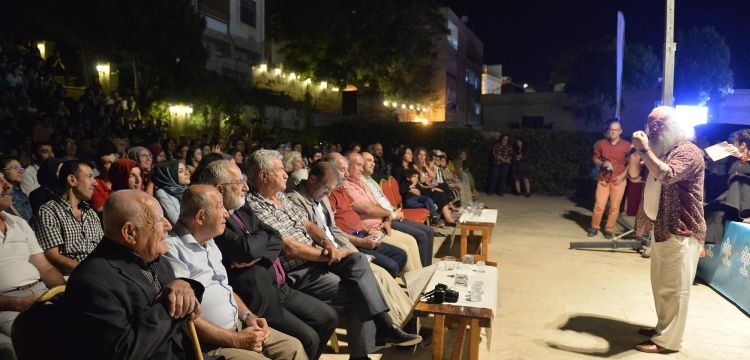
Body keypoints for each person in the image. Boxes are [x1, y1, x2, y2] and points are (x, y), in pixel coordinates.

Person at [246, 150, 421, 360]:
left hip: (319, 259)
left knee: (357, 263)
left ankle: (382, 329)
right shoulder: (254, 207)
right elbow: (289, 248)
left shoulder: (281, 198)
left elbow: (309, 224)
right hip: (299, 270)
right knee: (359, 288)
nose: (286, 174)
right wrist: (329, 254)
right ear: (264, 176)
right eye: (280, 169)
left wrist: (327, 242)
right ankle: (376, 336)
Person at [199, 159, 337, 360]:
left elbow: (275, 237)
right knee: (307, 339)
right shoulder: (215, 221)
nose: (246, 187)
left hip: (278, 286)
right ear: (220, 189)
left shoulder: (241, 205)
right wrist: (258, 248)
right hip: (257, 296)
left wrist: (257, 254)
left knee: (328, 318)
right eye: (239, 183)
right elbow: (245, 250)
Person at [164, 185, 306, 360]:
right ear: (201, 216)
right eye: (220, 207)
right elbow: (187, 318)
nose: (226, 213)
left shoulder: (209, 240)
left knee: (293, 347)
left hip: (238, 326)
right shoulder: (171, 249)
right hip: (209, 343)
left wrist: (248, 316)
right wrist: (237, 340)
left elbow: (225, 288)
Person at [63, 190, 204, 359]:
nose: (168, 225)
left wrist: (183, 284)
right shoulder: (91, 282)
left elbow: (179, 296)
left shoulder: (154, 257)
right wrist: (170, 304)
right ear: (130, 232)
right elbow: (123, 352)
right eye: (159, 220)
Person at [631, 106, 706, 353]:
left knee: (676, 289)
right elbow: (635, 177)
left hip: (681, 230)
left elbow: (666, 175)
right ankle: (662, 328)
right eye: (649, 123)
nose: (652, 129)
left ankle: (669, 341)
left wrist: (644, 150)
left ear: (674, 127)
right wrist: (639, 155)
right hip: (662, 227)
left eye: (658, 125)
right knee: (661, 285)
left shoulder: (688, 152)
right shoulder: (663, 151)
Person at [288, 160, 406, 277]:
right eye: (326, 189)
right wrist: (355, 252)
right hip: (327, 256)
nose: (328, 195)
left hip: (347, 244)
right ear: (312, 179)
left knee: (399, 256)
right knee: (382, 273)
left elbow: (334, 230)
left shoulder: (322, 196)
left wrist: (355, 252)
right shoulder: (295, 200)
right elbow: (311, 239)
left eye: (331, 190)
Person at [0, 173, 66, 359]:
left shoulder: (18, 223)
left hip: (40, 293)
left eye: (5, 179)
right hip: (7, 305)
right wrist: (17, 303)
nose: (8, 185)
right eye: (0, 182)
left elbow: (45, 268)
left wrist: (63, 291)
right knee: (42, 340)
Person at [333, 152, 424, 272]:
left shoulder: (360, 182)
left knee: (412, 242)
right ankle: (416, 284)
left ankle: (421, 279)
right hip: (370, 231)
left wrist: (387, 219)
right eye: (359, 165)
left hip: (379, 225)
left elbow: (377, 205)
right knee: (405, 249)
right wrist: (390, 216)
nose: (364, 167)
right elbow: (368, 209)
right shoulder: (345, 186)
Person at [360, 150, 435, 266]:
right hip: (386, 219)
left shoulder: (371, 180)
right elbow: (373, 208)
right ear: (359, 163)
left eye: (373, 161)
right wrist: (391, 215)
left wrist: (394, 211)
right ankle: (423, 273)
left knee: (429, 231)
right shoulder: (360, 183)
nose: (373, 163)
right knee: (422, 236)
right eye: (369, 161)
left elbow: (382, 203)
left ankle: (427, 269)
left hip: (391, 214)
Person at [32, 160, 103, 275]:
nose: (95, 183)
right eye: (89, 177)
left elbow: (102, 248)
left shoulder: (90, 212)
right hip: (72, 276)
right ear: (72, 180)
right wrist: (89, 271)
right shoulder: (48, 212)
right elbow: (52, 257)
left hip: (99, 271)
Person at [704, 129, 750, 244]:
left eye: (735, 143)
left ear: (743, 145)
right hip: (735, 198)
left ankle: (745, 214)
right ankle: (708, 247)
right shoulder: (735, 160)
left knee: (739, 179)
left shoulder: (742, 159)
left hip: (746, 199)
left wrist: (741, 156)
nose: (733, 146)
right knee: (712, 211)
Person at [588, 120, 631, 239]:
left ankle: (609, 229)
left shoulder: (626, 146)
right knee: (599, 205)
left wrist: (622, 177)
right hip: (603, 179)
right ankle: (594, 227)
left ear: (620, 131)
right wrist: (603, 163)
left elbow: (630, 164)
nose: (612, 132)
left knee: (614, 207)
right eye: (611, 129)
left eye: (615, 130)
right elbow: (595, 159)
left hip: (619, 181)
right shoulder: (602, 143)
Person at [152, 160, 190, 225]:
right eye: (181, 171)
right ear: (170, 175)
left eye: (186, 169)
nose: (187, 173)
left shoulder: (185, 189)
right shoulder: (162, 193)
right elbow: (176, 220)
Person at [0, 156, 32, 222]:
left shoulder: (22, 195)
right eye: (15, 168)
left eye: (21, 168)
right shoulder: (1, 195)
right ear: (2, 171)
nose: (20, 171)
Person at [90, 145, 118, 213]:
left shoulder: (123, 180)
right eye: (108, 163)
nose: (114, 165)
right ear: (99, 167)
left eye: (115, 161)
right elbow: (102, 211)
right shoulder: (94, 184)